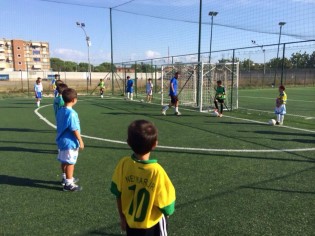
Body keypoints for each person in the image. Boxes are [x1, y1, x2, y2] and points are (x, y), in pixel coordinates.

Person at [110, 120, 176, 236]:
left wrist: (122, 217)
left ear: (128, 143)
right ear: (155, 144)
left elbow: (117, 192)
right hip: (153, 224)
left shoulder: (124, 164)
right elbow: (167, 207)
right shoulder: (156, 171)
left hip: (131, 223)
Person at [56, 88, 84, 191]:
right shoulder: (72, 113)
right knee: (70, 162)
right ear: (74, 100)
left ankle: (65, 177)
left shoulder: (60, 111)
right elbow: (74, 128)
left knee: (64, 160)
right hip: (70, 142)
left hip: (61, 140)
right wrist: (80, 140)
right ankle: (69, 183)